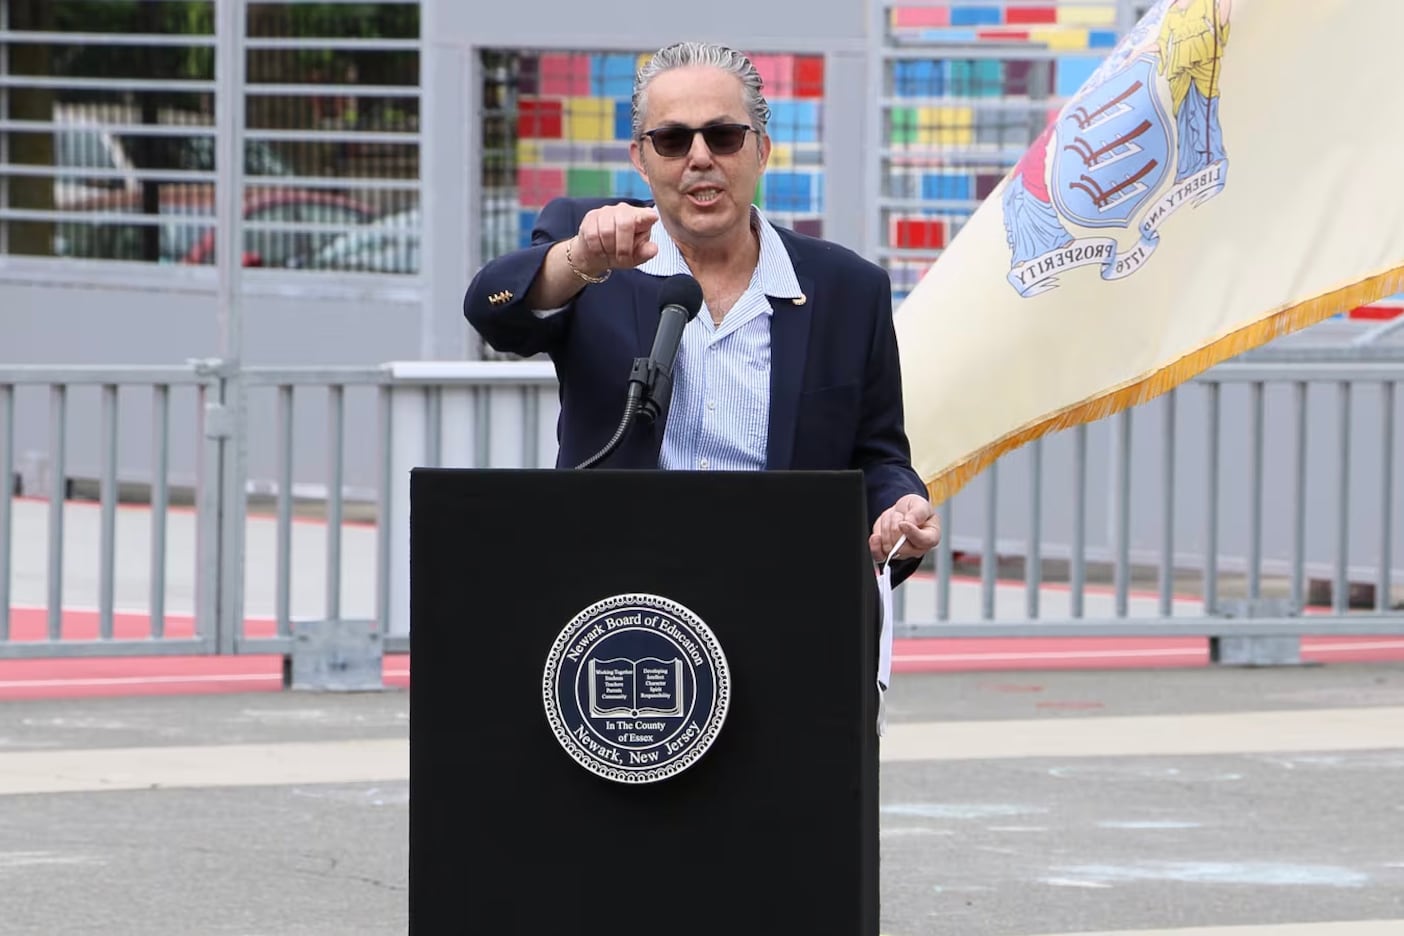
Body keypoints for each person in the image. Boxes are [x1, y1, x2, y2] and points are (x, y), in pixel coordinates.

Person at [464, 41, 940, 580]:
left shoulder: (849, 290)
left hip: (782, 592)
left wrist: (899, 511)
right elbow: (491, 310)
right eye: (671, 139)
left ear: (761, 150)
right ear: (640, 160)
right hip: (621, 597)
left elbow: (880, 458)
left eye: (723, 135)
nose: (699, 157)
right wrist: (579, 260)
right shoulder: (594, 250)